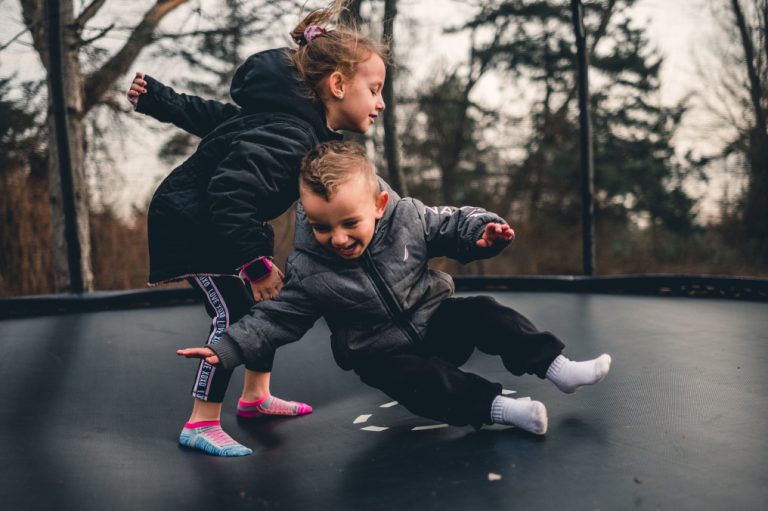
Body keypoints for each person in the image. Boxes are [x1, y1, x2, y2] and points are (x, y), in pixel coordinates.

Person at [177, 141, 612, 435]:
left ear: (379, 205)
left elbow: (453, 222)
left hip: (435, 324)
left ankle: (559, 369)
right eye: (323, 226)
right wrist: (229, 348)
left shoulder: (408, 218)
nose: (339, 238)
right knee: (426, 383)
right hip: (382, 355)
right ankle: (503, 411)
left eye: (351, 223)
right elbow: (278, 317)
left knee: (485, 311)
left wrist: (481, 232)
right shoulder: (309, 267)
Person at [127, 1, 388, 456]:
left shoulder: (290, 123)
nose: (381, 103)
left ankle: (255, 397)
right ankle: (201, 421)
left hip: (222, 224)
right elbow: (230, 194)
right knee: (235, 315)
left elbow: (213, 118)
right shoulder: (288, 135)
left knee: (263, 306)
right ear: (339, 84)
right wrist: (254, 263)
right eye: (375, 89)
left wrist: (159, 100)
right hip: (193, 226)